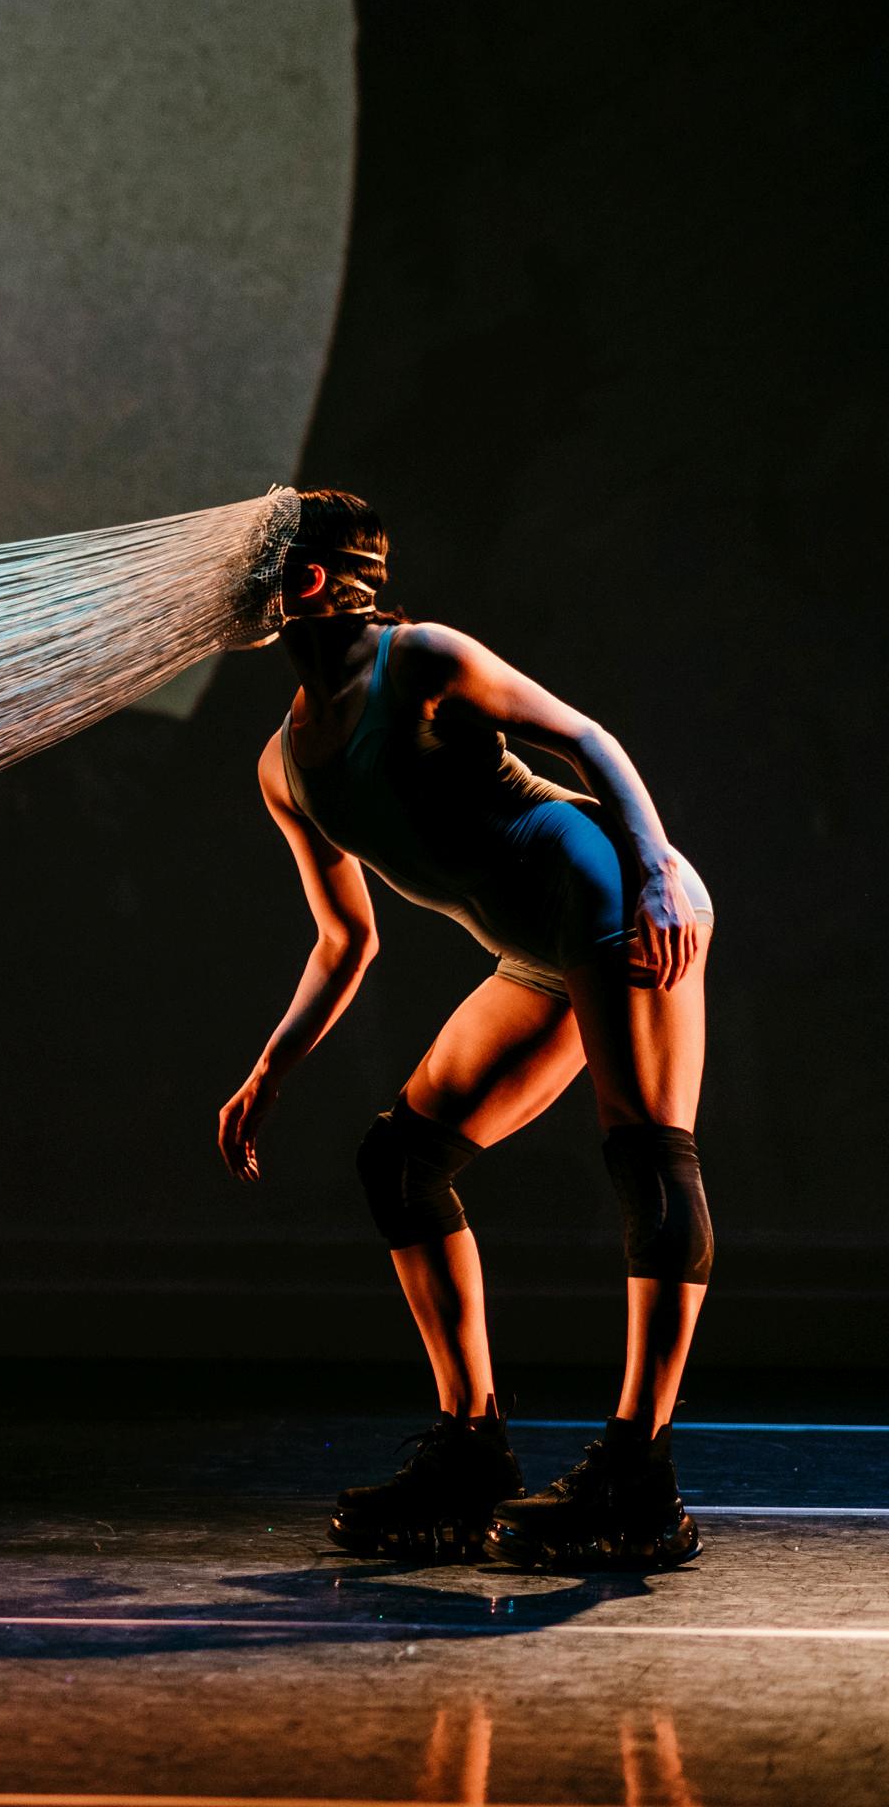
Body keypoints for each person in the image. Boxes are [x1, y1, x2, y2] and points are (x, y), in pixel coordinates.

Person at [217, 491, 713, 1570]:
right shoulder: (283, 764)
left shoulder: (424, 658)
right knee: (400, 1162)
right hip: (535, 952)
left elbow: (585, 739)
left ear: (310, 583)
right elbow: (347, 940)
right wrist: (270, 1068)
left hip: (608, 893)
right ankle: (472, 1446)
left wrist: (657, 872)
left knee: (646, 1153)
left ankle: (640, 1475)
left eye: (262, 569)